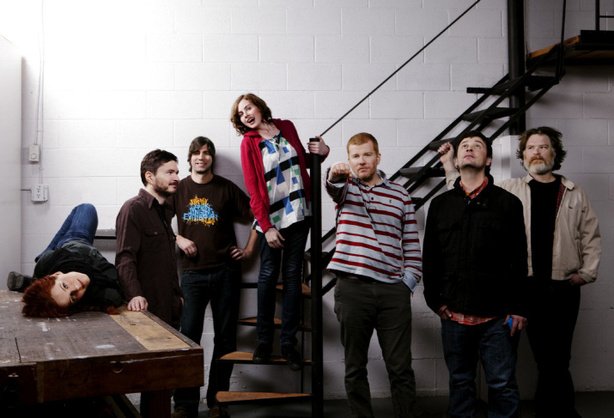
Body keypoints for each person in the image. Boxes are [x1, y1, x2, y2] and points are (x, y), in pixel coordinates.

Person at [439, 126, 601, 418]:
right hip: (517, 288)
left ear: (555, 153)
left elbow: (591, 236)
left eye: (543, 147)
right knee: (503, 362)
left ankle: (558, 413)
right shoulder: (509, 190)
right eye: (531, 148)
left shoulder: (575, 193)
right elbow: (466, 191)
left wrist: (586, 273)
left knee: (556, 361)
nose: (537, 152)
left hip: (560, 288)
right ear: (523, 156)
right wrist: (450, 166)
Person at [424, 131, 528, 418]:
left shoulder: (508, 203)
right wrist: (435, 301)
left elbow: (519, 258)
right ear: (456, 160)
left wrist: (519, 307)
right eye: (464, 146)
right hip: (454, 316)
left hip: (498, 318)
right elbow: (430, 258)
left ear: (489, 160)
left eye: (477, 145)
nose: (469, 149)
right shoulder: (441, 205)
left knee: (502, 384)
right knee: (460, 383)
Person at [325, 132, 423, 418]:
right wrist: (334, 174)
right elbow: (333, 185)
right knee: (355, 367)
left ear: (378, 157)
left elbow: (411, 242)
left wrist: (407, 282)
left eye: (367, 154)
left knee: (400, 367)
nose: (361, 161)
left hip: (393, 291)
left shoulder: (400, 194)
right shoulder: (346, 189)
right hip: (352, 289)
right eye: (355, 156)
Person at [230, 93, 330, 371]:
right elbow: (253, 189)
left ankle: (288, 344)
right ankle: (264, 342)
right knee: (267, 275)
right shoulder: (248, 143)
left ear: (259, 106)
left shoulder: (286, 127)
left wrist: (323, 152)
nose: (246, 115)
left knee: (293, 277)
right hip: (271, 218)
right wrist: (267, 227)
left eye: (248, 108)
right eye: (240, 114)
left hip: (299, 211)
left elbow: (302, 161)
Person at [171, 136, 258, 418]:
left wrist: (248, 250)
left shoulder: (225, 188)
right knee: (189, 338)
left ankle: (218, 401)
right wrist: (178, 238)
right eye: (196, 152)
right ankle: (185, 404)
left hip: (226, 272)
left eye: (207, 152)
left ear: (212, 158)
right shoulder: (179, 189)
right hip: (192, 274)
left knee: (225, 339)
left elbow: (258, 214)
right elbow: (157, 221)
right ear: (189, 158)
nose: (201, 157)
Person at [115, 149, 182, 418]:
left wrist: (177, 296)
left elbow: (165, 261)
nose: (176, 177)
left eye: (177, 171)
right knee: (154, 379)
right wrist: (134, 295)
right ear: (150, 176)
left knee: (164, 381)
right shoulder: (134, 209)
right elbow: (124, 257)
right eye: (170, 172)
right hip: (147, 310)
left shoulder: (166, 212)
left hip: (169, 306)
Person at [7, 203, 123, 318]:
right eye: (72, 297)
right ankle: (32, 282)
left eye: (65, 286)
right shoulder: (103, 296)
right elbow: (115, 288)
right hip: (72, 249)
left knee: (86, 209)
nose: (76, 288)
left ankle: (33, 281)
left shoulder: (45, 264)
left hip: (69, 246)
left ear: (57, 274)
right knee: (86, 208)